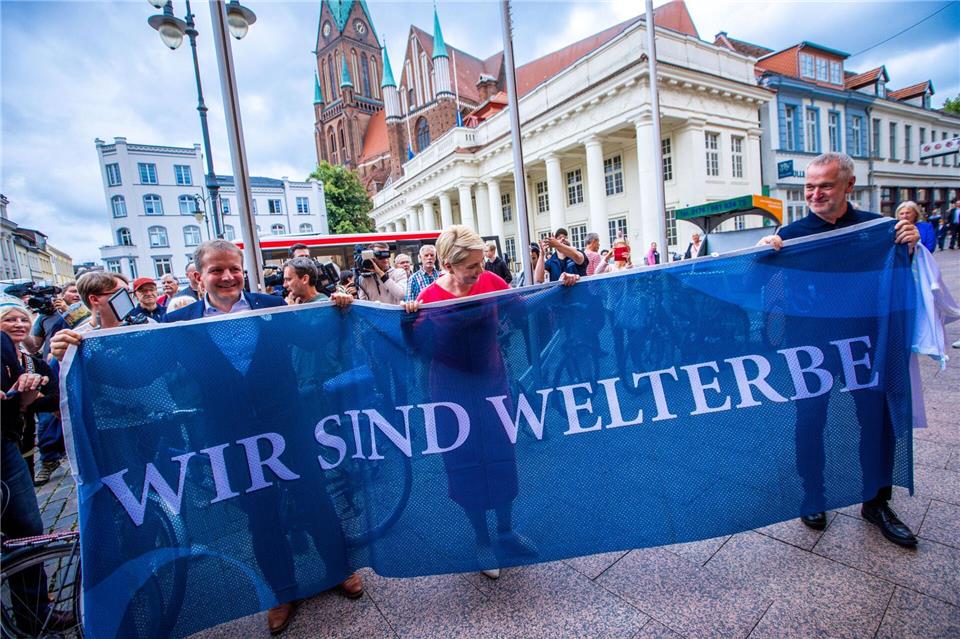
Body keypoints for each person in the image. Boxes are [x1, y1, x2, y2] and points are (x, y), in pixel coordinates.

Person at [164, 240, 361, 634]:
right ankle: (282, 591)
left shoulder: (270, 306)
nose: (227, 277)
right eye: (217, 270)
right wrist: (85, 342)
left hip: (287, 426)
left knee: (315, 497)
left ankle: (339, 568)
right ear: (199, 276)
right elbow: (141, 368)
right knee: (260, 513)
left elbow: (311, 338)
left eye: (234, 268)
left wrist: (337, 307)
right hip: (232, 435)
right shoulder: (180, 325)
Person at [757, 152, 920, 547]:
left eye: (825, 185)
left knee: (875, 419)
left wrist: (911, 249)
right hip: (811, 347)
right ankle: (812, 495)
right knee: (809, 419)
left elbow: (905, 278)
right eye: (809, 186)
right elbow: (754, 283)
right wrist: (760, 254)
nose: (815, 193)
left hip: (867, 343)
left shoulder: (878, 230)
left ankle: (876, 501)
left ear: (849, 185)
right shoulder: (791, 236)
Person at [403, 226, 573, 580]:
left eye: (482, 264)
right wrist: (407, 321)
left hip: (493, 385)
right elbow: (417, 347)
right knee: (465, 462)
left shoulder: (492, 282)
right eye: (472, 266)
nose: (480, 271)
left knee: (500, 456)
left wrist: (558, 289)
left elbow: (523, 308)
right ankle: (482, 540)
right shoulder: (430, 298)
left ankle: (506, 532)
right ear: (449, 264)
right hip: (451, 394)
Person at [1, 300, 75, 633]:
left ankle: (35, 613)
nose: (17, 324)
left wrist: (22, 399)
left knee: (27, 529)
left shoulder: (16, 352)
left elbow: (32, 401)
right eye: (9, 319)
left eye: (22, 318)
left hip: (8, 447)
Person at [49, 271, 132, 362]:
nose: (129, 298)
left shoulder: (144, 327)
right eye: (120, 292)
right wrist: (61, 359)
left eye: (129, 292)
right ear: (95, 299)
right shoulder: (75, 340)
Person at [282, 257, 353, 307]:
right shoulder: (298, 302)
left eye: (288, 279)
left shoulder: (322, 306)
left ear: (305, 279)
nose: (284, 285)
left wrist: (291, 311)